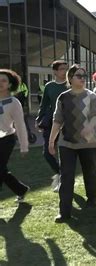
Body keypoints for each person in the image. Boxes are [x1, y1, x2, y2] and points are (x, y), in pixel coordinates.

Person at [48, 65, 96, 223]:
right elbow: (57, 120)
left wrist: (89, 126)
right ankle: (64, 212)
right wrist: (52, 140)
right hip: (67, 143)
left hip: (88, 142)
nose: (82, 78)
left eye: (84, 75)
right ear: (70, 78)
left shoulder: (91, 96)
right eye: (79, 75)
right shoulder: (63, 97)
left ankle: (92, 199)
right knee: (66, 176)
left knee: (90, 172)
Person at [36, 60, 68, 192]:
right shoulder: (49, 86)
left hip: (68, 123)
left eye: (66, 68)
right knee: (47, 153)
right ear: (54, 71)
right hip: (51, 122)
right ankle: (60, 173)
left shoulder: (70, 85)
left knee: (64, 154)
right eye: (62, 69)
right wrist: (39, 118)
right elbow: (44, 104)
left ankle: (63, 180)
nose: (65, 71)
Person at [0, 69, 30, 203]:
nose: (0, 83)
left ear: (10, 84)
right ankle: (20, 190)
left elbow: (20, 125)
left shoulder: (13, 102)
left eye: (3, 80)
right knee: (2, 171)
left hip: (6, 140)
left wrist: (24, 146)